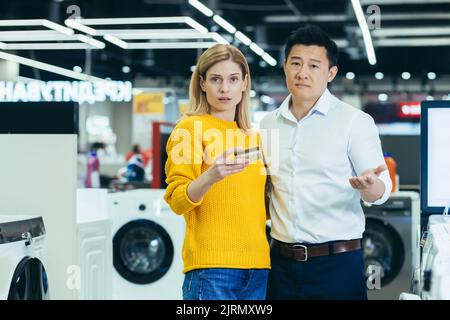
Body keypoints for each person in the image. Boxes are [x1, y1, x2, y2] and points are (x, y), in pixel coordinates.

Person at [259, 25, 392, 300]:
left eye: (314, 65)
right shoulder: (268, 123)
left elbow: (381, 190)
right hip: (279, 265)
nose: (302, 72)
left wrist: (369, 187)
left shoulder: (354, 122)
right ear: (285, 67)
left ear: (330, 73)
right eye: (295, 63)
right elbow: (267, 186)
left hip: (336, 265)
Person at [163, 44, 270, 300]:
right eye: (215, 79)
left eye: (233, 79)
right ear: (201, 84)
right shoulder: (189, 129)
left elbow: (262, 205)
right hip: (212, 269)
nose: (224, 89)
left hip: (258, 267)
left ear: (245, 83)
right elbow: (177, 201)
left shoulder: (255, 138)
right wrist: (212, 175)